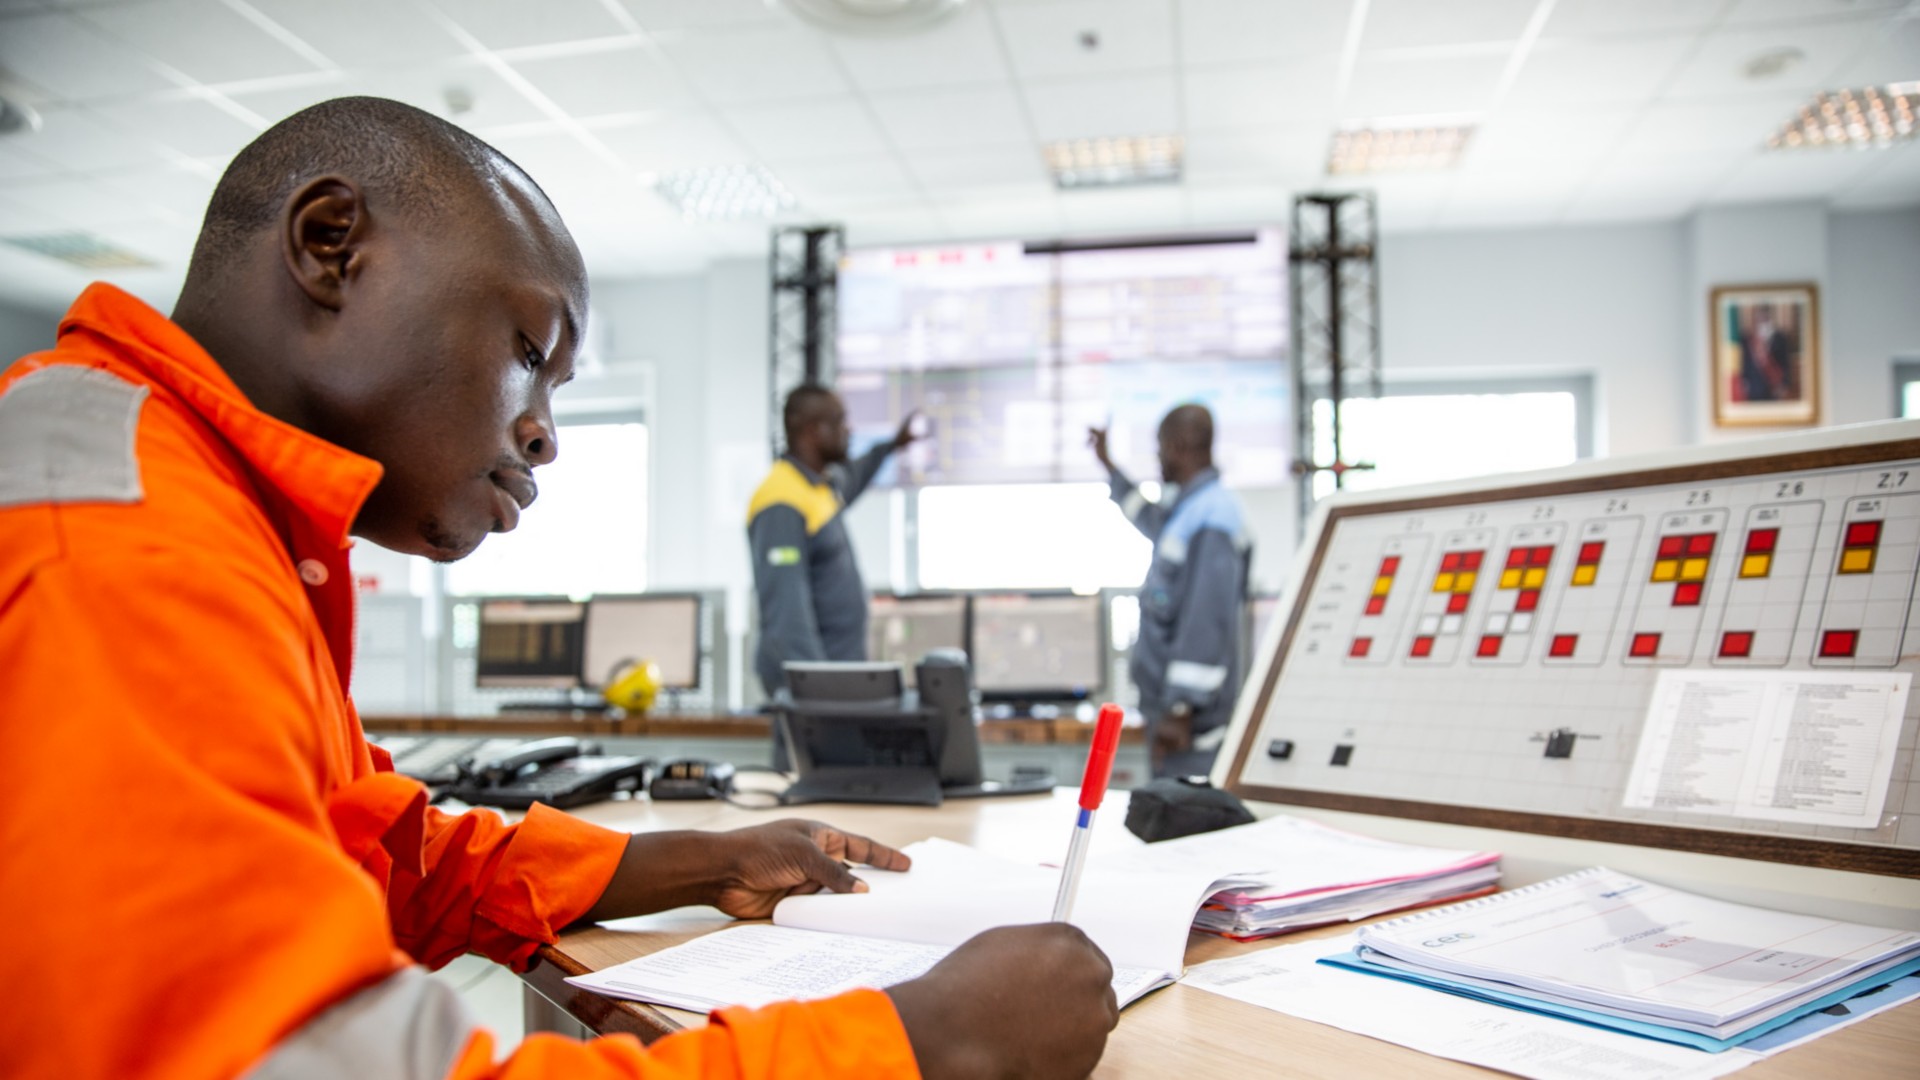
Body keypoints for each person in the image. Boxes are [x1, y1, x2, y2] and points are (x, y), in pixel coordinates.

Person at [0, 97, 1117, 1080]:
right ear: (330, 245)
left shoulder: (188, 493)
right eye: (531, 350)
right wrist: (923, 1045)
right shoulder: (120, 548)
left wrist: (687, 858)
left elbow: (378, 857)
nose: (543, 431)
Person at [1089, 405, 1252, 778]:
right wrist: (1109, 467)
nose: (1158, 457)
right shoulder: (1190, 508)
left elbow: (1206, 621)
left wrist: (1181, 709)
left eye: (1160, 447)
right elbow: (1149, 520)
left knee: (1187, 824)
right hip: (1173, 714)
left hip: (1191, 725)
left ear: (1178, 446)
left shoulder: (1215, 516)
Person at [747, 385, 918, 697]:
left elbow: (855, 475)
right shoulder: (781, 502)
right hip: (814, 692)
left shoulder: (819, 488)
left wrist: (892, 446)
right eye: (840, 421)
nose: (848, 430)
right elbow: (787, 618)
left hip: (836, 679)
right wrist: (819, 692)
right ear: (814, 431)